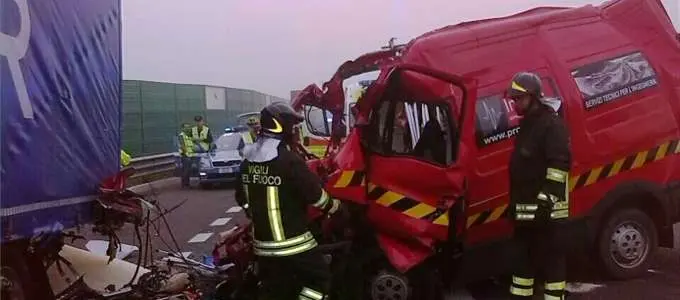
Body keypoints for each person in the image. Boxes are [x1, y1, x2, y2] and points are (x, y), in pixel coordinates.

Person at [234, 102, 342, 300]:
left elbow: (241, 198)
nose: (295, 132)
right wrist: (337, 208)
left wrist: (255, 212)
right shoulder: (289, 161)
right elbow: (318, 199)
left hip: (262, 246)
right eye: (293, 127)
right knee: (319, 282)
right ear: (281, 127)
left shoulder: (247, 163)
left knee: (277, 289)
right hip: (293, 244)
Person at [507, 72, 572, 300]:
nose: (514, 103)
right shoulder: (528, 125)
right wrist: (515, 206)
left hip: (548, 217)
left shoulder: (551, 125)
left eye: (518, 98)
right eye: (513, 99)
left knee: (552, 270)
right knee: (522, 270)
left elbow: (559, 167)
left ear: (533, 96)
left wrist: (546, 202)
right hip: (527, 217)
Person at [178, 123, 195, 188]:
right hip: (185, 155)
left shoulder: (189, 135)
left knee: (189, 170)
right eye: (186, 127)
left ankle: (187, 184)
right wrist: (186, 154)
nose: (187, 128)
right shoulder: (181, 135)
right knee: (185, 170)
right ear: (182, 128)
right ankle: (184, 184)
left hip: (190, 155)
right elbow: (183, 146)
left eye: (188, 127)